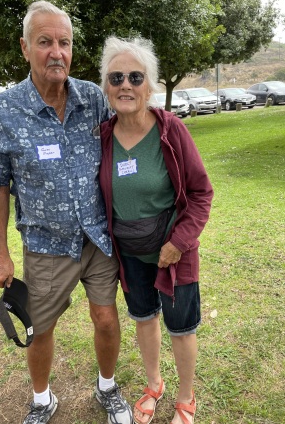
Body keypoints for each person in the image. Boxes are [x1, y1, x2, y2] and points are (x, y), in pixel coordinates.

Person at [0, 1, 132, 424]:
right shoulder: (1, 113)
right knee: (40, 328)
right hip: (45, 243)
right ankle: (43, 398)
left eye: (64, 42)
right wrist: (0, 252)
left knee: (105, 316)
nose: (56, 52)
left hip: (98, 237)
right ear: (25, 47)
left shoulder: (93, 99)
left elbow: (127, 142)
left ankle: (107, 387)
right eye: (45, 42)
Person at [99, 36, 214, 424]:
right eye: (116, 78)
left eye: (135, 76)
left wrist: (179, 243)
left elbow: (201, 193)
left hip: (173, 251)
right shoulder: (100, 137)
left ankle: (186, 397)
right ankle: (154, 386)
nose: (125, 85)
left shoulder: (171, 130)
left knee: (181, 327)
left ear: (150, 85)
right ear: (106, 87)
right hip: (129, 252)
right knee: (144, 319)